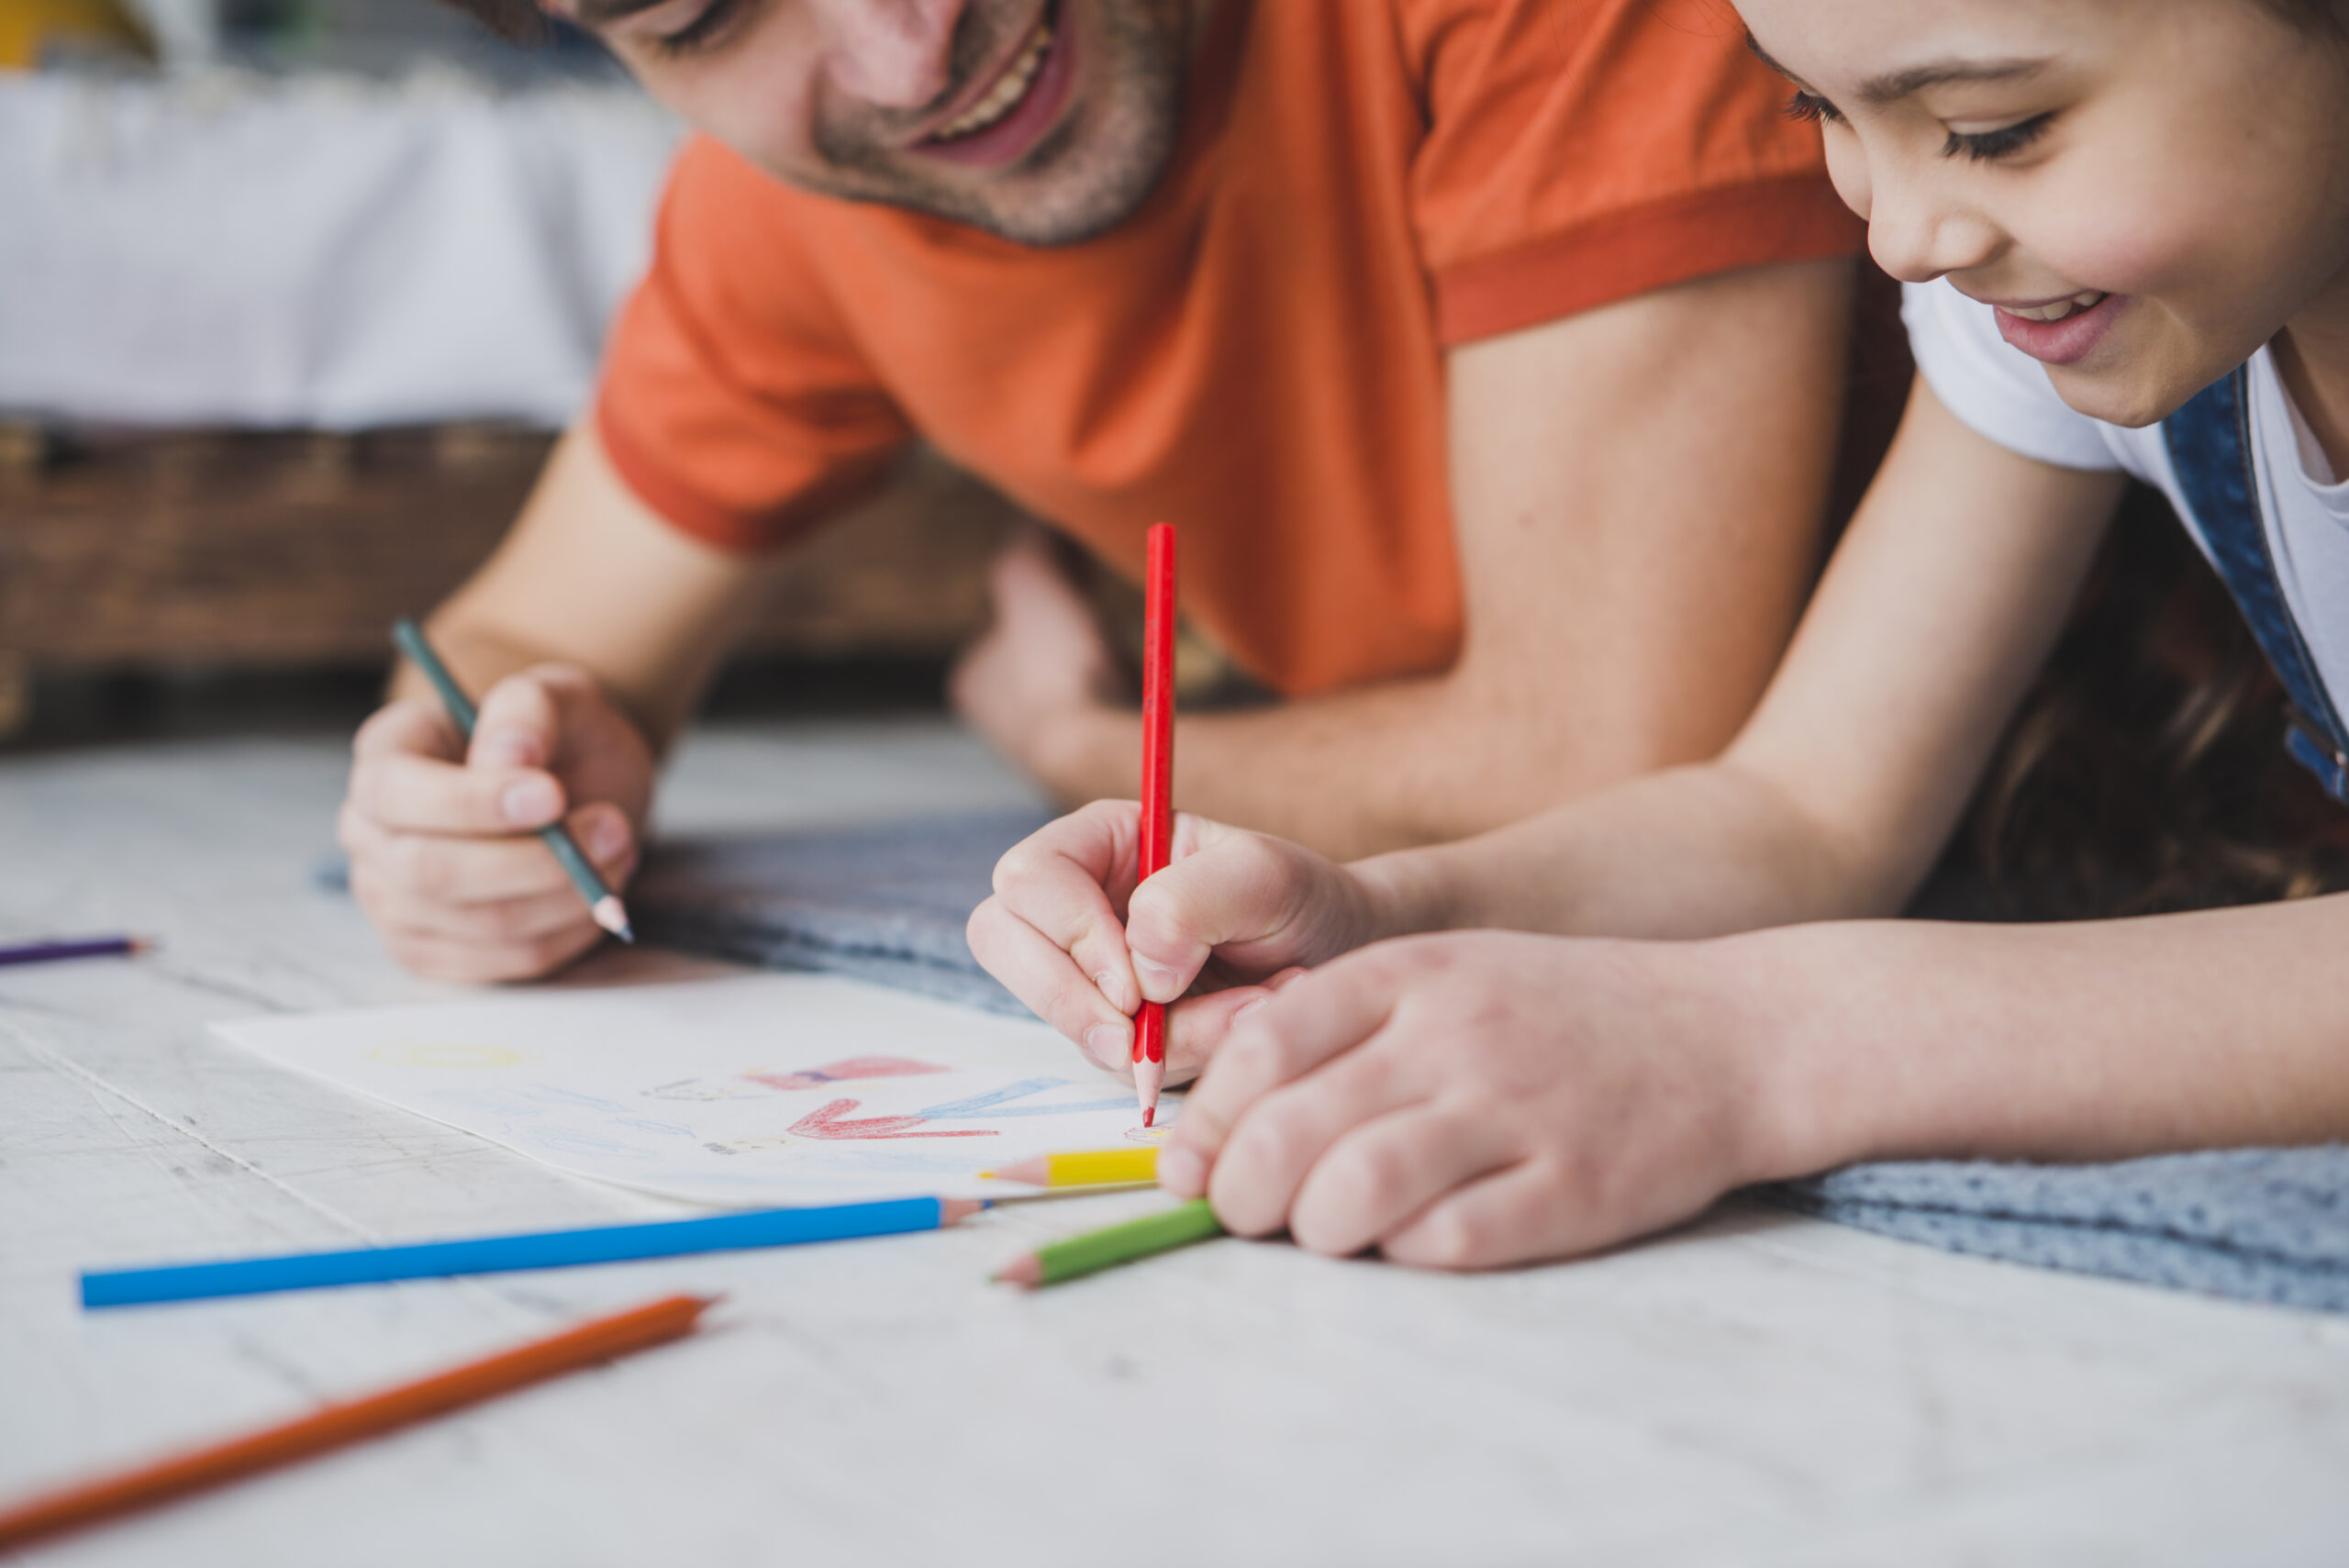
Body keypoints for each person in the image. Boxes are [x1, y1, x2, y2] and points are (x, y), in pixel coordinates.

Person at [968, 0, 2349, 1270]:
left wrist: (1751, 1043)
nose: (1899, 237)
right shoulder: (2066, 299)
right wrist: (1382, 912)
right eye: (1820, 113)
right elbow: (1806, 808)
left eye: (1996, 130)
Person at [336, 0, 1863, 982]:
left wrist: (1066, 742)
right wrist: (478, 780)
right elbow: (527, 637)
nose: (905, 51)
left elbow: (1625, 764)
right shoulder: (781, 204)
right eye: (701, 16)